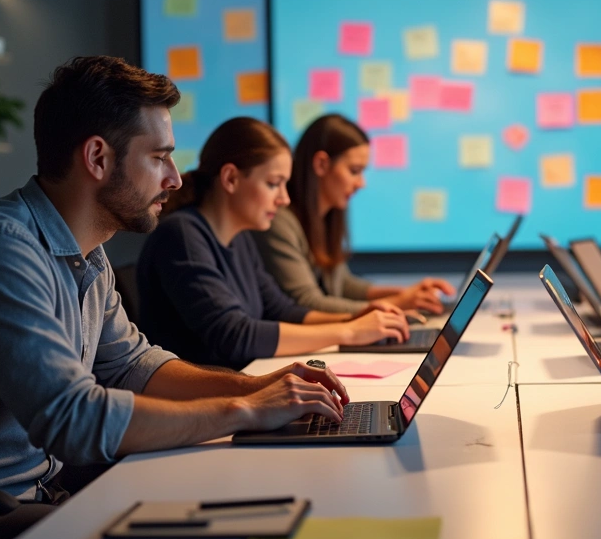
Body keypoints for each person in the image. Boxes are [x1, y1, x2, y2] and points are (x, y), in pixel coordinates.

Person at [0, 57, 350, 539]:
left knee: (239, 510)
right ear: (98, 158)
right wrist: (246, 410)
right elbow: (74, 421)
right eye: (160, 157)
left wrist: (260, 387)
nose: (175, 178)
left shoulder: (88, 251)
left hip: (32, 494)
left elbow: (134, 366)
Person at [137, 117, 411, 370]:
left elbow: (282, 310)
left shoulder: (240, 238)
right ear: (231, 179)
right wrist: (348, 332)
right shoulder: (182, 235)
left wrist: (356, 319)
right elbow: (235, 335)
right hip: (204, 401)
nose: (284, 199)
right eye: (273, 183)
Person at [254, 114, 455, 315]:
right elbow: (307, 302)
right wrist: (397, 304)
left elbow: (343, 284)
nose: (361, 183)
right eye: (354, 171)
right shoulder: (279, 222)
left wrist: (406, 295)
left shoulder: (326, 218)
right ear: (321, 164)